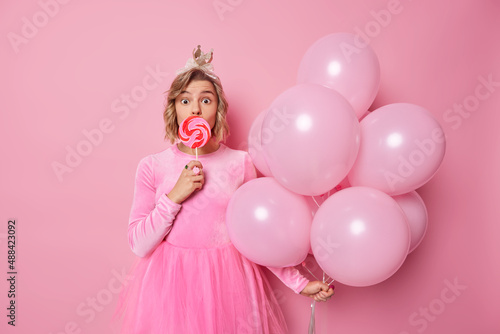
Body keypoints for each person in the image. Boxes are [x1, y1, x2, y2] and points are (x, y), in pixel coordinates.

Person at [112, 46, 334, 334]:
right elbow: (139, 244)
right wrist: (174, 197)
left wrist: (300, 283)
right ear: (173, 108)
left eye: (206, 99)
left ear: (218, 108)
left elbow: (257, 236)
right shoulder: (153, 166)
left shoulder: (239, 163)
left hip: (228, 283)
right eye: (185, 100)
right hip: (171, 288)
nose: (195, 109)